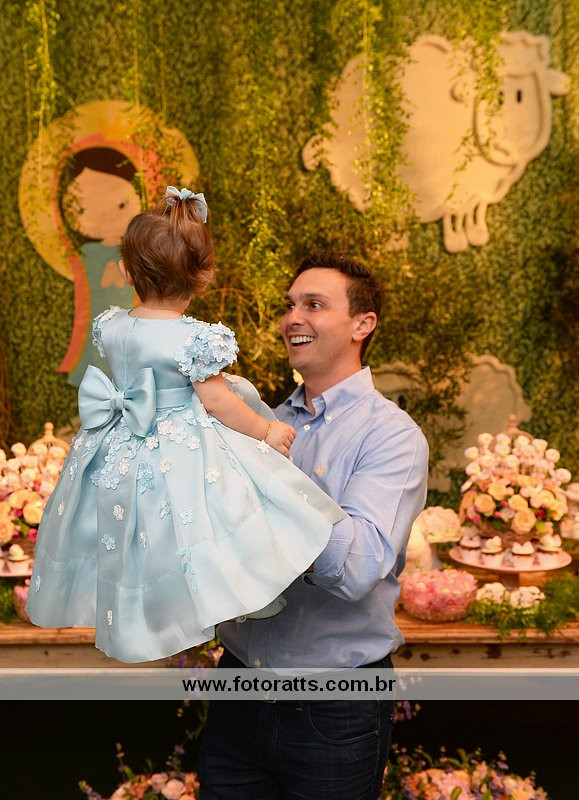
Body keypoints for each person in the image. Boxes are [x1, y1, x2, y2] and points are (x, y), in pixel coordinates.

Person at [25, 189, 345, 663]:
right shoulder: (194, 337)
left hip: (117, 444)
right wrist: (265, 431)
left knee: (131, 532)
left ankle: (142, 613)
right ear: (203, 275)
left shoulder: (109, 325)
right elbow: (216, 402)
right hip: (175, 447)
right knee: (215, 511)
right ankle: (228, 592)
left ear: (127, 271)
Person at [198, 253, 429, 800]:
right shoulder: (264, 421)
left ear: (362, 324)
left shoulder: (391, 436)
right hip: (237, 686)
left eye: (315, 305)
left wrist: (271, 480)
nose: (293, 318)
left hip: (334, 707)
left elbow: (358, 569)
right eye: (290, 305)